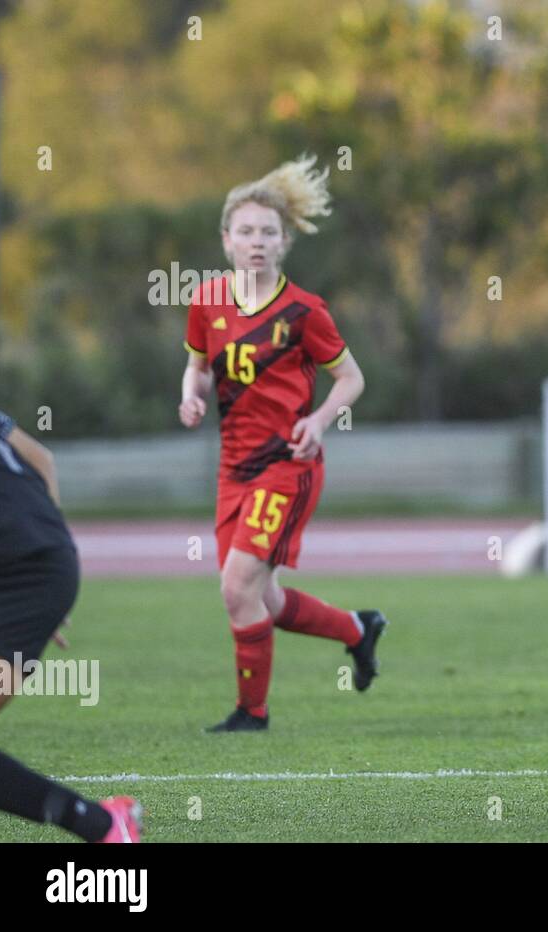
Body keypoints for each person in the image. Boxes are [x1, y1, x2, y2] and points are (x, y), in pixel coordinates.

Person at [179, 154, 387, 733]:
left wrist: (319, 421)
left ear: (284, 242)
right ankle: (356, 628)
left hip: (287, 467)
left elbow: (352, 379)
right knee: (259, 600)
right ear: (226, 240)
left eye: (268, 232)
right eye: (245, 231)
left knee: (235, 588)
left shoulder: (304, 312)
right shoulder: (206, 302)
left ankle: (253, 713)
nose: (257, 242)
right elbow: (196, 368)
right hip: (232, 471)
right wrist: (190, 396)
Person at [0, 408, 142, 841]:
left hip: (26, 574)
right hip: (39, 563)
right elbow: (40, 458)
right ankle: (100, 824)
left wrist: (39, 563)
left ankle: (102, 825)